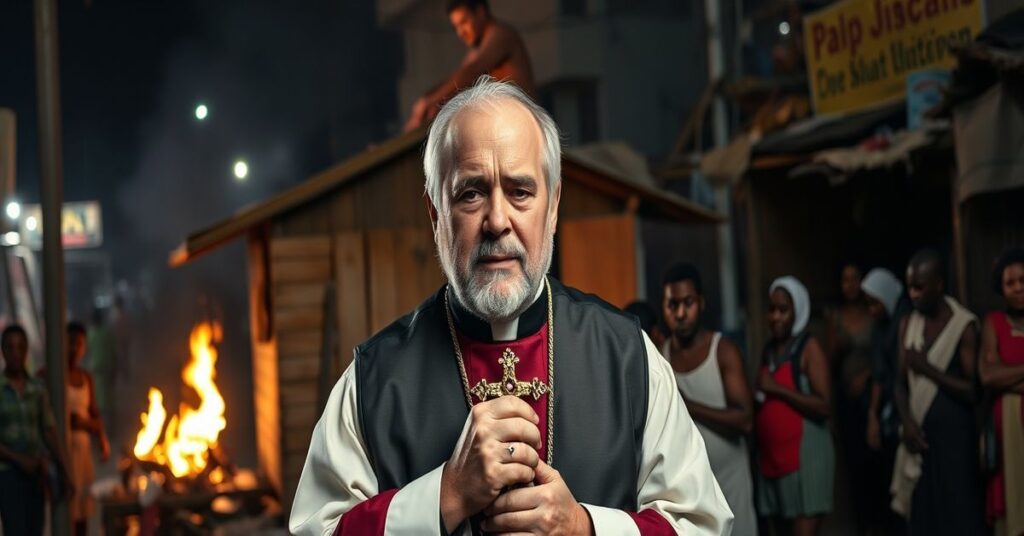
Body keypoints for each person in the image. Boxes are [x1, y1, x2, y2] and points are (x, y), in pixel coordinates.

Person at [290, 78, 732, 535]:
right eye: (471, 193)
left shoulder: (628, 357)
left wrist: (583, 528)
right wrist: (444, 495)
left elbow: (701, 524)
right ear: (435, 214)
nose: (497, 221)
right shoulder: (372, 380)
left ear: (553, 206)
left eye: (520, 191)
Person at [890, 249, 987, 535]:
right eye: (909, 287)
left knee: (959, 522)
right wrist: (906, 422)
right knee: (923, 522)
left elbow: (973, 391)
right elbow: (899, 383)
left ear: (939, 284)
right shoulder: (908, 324)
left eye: (919, 287)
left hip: (955, 446)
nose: (913, 294)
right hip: (920, 443)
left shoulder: (963, 326)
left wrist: (928, 369)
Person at [662, 263, 758, 535]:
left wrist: (689, 406)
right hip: (687, 490)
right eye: (672, 305)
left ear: (701, 303)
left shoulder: (723, 351)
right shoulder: (660, 355)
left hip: (730, 483)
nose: (680, 313)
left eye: (688, 303)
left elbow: (745, 420)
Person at [755, 276, 834, 536]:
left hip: (807, 460)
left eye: (783, 310)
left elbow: (824, 406)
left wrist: (776, 389)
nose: (775, 316)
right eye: (772, 309)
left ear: (797, 311)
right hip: (775, 462)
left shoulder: (809, 348)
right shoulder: (770, 350)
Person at [403, 0, 535, 131]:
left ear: (480, 13)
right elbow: (457, 78)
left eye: (464, 22)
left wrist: (429, 101)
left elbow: (470, 73)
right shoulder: (477, 49)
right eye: (456, 27)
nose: (460, 33)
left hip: (523, 127)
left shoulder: (500, 35)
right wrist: (426, 104)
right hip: (505, 128)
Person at [0, 325, 71, 536]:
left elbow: (49, 430)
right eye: (10, 347)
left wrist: (65, 469)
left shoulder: (37, 388)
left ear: (26, 351)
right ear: (3, 351)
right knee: (16, 529)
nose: (16, 353)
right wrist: (19, 459)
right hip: (7, 474)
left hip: (36, 474)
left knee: (35, 529)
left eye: (20, 347)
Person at [42, 322, 112, 536]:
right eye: (70, 342)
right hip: (61, 454)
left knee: (82, 512)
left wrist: (100, 438)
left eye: (79, 344)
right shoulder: (48, 375)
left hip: (83, 455)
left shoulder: (86, 378)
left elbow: (95, 417)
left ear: (84, 348)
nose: (74, 348)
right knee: (64, 511)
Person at [859, 267, 911, 534]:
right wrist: (873, 415)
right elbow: (880, 375)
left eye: (875, 303)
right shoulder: (879, 329)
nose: (871, 310)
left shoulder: (907, 319)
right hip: (891, 408)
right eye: (867, 304)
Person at [980, 248, 1024, 536]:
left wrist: (1008, 375)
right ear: (1001, 288)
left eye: (1023, 280)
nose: (1018, 287)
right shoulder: (994, 322)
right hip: (1009, 427)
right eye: (1010, 283)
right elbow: (988, 375)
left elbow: (999, 375)